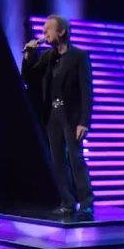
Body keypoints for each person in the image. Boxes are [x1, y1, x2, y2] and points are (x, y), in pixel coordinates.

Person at [21, 15, 94, 216]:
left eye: (48, 29)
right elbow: (28, 77)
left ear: (61, 32)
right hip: (53, 114)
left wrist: (84, 121)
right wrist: (28, 55)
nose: (44, 33)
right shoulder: (47, 57)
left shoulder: (79, 56)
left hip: (71, 115)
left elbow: (86, 91)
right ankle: (67, 202)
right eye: (43, 30)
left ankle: (86, 203)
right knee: (58, 161)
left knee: (75, 158)